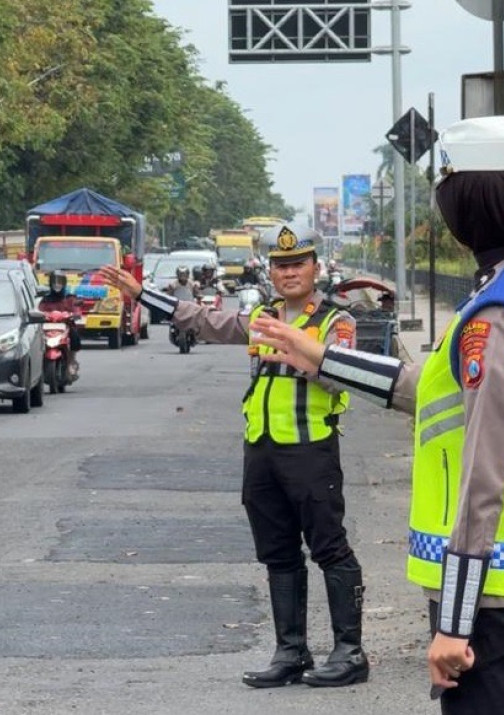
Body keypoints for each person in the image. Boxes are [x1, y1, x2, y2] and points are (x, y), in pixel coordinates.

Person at [247, 116, 504, 714]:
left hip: (496, 595)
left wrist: (455, 625)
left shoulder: (495, 319)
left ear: (476, 208)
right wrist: (322, 358)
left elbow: (482, 479)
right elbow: (433, 391)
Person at [98, 226, 370, 690]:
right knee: (278, 552)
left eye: (298, 264)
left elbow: (344, 375)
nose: (289, 273)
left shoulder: (334, 321)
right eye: (281, 266)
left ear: (315, 269)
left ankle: (349, 651)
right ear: (271, 271)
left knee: (329, 546)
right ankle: (291, 651)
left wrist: (302, 352)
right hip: (261, 450)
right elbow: (202, 321)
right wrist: (143, 295)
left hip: (310, 450)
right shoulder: (261, 314)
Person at [37, 270, 82, 377]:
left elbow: (76, 308)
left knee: (74, 335)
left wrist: (75, 314)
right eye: (55, 282)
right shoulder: (45, 299)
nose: (57, 285)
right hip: (48, 327)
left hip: (65, 326)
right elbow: (39, 309)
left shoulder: (69, 298)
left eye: (60, 281)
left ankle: (71, 360)